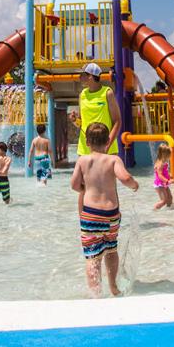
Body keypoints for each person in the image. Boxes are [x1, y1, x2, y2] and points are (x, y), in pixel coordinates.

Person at [70, 122, 138, 297]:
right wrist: (134, 185)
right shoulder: (113, 159)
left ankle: (96, 294)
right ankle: (114, 288)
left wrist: (85, 190)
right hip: (111, 215)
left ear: (87, 141)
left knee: (92, 256)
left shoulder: (83, 160)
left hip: (90, 215)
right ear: (108, 140)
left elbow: (74, 185)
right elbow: (125, 177)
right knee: (111, 250)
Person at [76, 62, 121, 156]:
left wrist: (106, 146)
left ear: (90, 77)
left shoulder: (107, 93)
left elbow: (117, 121)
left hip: (106, 149)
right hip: (85, 149)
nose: (79, 77)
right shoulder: (82, 95)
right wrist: (75, 120)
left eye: (82, 74)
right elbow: (80, 124)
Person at [152, 143, 174, 210]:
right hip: (159, 184)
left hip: (164, 183)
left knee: (170, 198)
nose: (170, 156)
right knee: (164, 200)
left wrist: (168, 175)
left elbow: (164, 172)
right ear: (164, 155)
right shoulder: (160, 163)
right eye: (169, 155)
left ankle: (169, 211)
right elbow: (160, 175)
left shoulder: (164, 162)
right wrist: (168, 181)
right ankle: (154, 209)